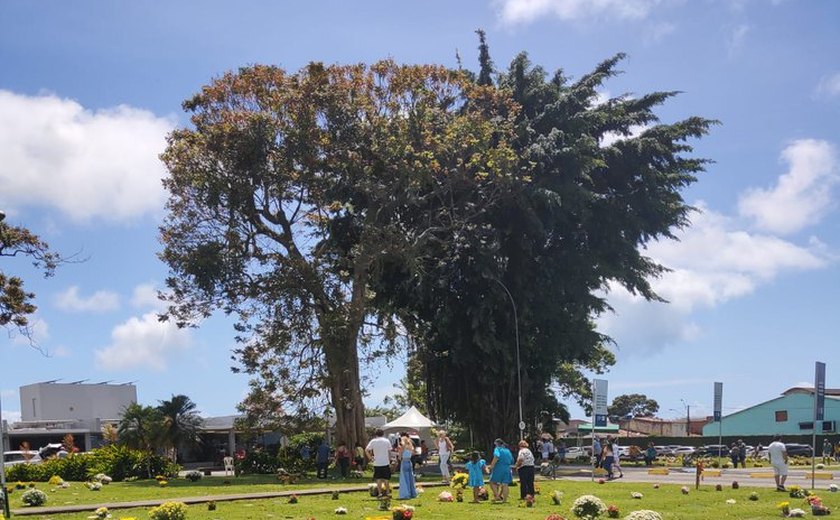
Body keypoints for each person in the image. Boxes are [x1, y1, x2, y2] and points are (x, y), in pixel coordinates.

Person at [366, 428, 393, 497]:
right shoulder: (386, 441)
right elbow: (389, 452)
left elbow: (366, 450)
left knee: (378, 479)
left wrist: (370, 458)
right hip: (385, 462)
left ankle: (380, 493)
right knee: (386, 479)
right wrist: (389, 460)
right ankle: (388, 492)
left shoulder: (373, 441)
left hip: (377, 462)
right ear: (383, 434)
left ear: (376, 434)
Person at [486, 438, 514, 502]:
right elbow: (512, 460)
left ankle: (497, 496)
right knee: (505, 484)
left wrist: (492, 466)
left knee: (492, 482)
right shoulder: (507, 450)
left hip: (499, 468)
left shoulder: (497, 449)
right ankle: (504, 500)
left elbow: (496, 456)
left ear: (496, 444)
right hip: (507, 468)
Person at [398, 434, 417, 499]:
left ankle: (406, 493)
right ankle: (412, 492)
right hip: (409, 462)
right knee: (410, 478)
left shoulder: (402, 447)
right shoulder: (410, 446)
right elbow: (413, 453)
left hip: (404, 462)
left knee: (404, 478)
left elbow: (400, 457)